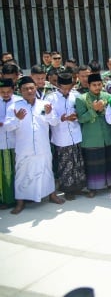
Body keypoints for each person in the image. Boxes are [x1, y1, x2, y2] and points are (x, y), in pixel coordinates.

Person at [5, 76, 64, 214]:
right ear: (20, 91)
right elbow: (8, 127)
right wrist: (17, 119)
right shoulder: (14, 107)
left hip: (43, 146)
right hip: (24, 148)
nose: (29, 91)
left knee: (47, 171)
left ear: (36, 88)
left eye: (31, 88)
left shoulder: (44, 105)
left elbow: (54, 122)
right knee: (22, 174)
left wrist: (49, 114)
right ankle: (20, 202)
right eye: (25, 89)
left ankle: (52, 195)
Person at [46, 72, 86, 201]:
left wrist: (76, 117)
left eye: (69, 87)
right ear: (58, 85)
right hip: (61, 138)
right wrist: (61, 119)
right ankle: (67, 189)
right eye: (64, 87)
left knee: (77, 163)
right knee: (65, 165)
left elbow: (82, 112)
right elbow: (49, 119)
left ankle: (78, 187)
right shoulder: (50, 98)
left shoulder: (76, 95)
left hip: (76, 135)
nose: (66, 90)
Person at [75, 73, 111, 197]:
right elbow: (81, 119)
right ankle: (93, 188)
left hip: (107, 136)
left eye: (99, 84)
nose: (97, 87)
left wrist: (102, 109)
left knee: (108, 161)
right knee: (93, 164)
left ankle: (109, 184)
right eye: (94, 85)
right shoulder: (81, 99)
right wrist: (94, 110)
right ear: (89, 85)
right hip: (91, 137)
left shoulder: (108, 96)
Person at [0, 79, 19, 208]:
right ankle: (7, 200)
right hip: (1, 143)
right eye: (2, 92)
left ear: (13, 90)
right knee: (5, 173)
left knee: (20, 172)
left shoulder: (19, 101)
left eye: (8, 92)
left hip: (17, 142)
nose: (6, 94)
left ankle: (22, 198)